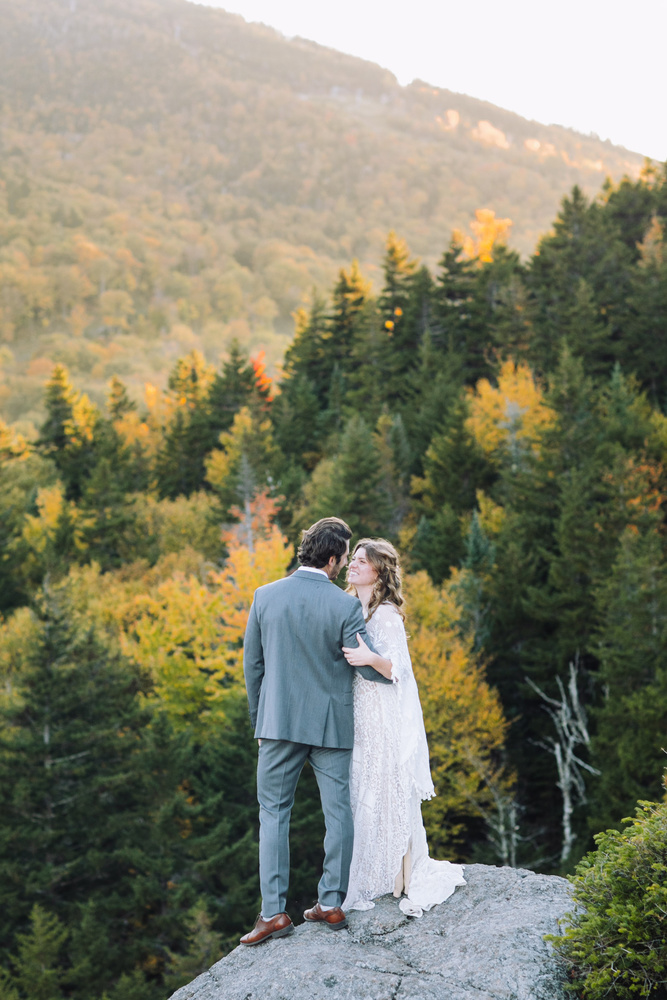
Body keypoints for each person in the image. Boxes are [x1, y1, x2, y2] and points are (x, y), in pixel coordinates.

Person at [240, 517, 393, 946]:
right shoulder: (344, 606)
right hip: (331, 724)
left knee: (273, 815)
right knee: (338, 812)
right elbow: (370, 667)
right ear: (331, 559)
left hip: (278, 725)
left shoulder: (264, 597)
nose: (345, 565)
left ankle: (273, 915)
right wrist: (386, 665)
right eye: (344, 558)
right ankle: (329, 903)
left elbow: (254, 666)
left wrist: (261, 720)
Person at [342, 538, 466, 917]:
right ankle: (375, 874)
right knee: (363, 788)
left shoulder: (386, 616)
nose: (353, 565)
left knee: (383, 786)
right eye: (353, 559)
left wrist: (368, 657)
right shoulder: (354, 608)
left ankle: (397, 875)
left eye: (362, 561)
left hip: (384, 716)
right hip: (361, 712)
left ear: (379, 571)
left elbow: (398, 670)